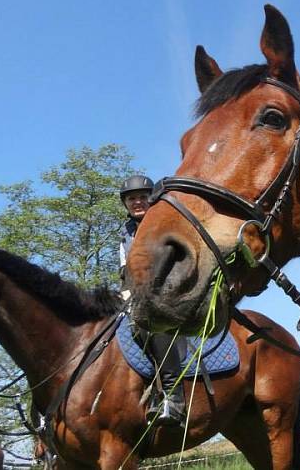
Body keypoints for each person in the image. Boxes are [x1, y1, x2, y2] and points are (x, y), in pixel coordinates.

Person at [119, 175, 185, 426]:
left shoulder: (167, 222)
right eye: (131, 199)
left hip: (171, 291)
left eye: (142, 197)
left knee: (154, 324)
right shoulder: (124, 233)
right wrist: (123, 296)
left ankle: (173, 398)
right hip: (135, 296)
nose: (137, 202)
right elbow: (124, 271)